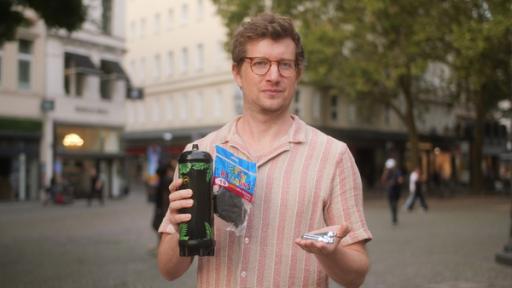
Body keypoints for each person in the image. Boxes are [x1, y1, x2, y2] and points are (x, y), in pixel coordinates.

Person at [157, 13, 372, 288]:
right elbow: (168, 270)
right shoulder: (200, 156)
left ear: (298, 73)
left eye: (285, 65)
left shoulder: (334, 156)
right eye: (260, 64)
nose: (274, 76)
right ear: (237, 73)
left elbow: (356, 275)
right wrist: (177, 228)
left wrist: (331, 253)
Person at [152, 160, 176, 243]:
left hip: (161, 207)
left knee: (162, 228)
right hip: (163, 208)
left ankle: (160, 245)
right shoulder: (166, 181)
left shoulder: (163, 181)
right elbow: (164, 198)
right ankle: (161, 245)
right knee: (163, 228)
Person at [381, 158, 404, 225]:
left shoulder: (395, 172)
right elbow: (383, 180)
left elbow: (400, 180)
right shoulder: (394, 172)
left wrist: (394, 182)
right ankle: (394, 217)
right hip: (393, 191)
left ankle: (394, 217)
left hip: (393, 191)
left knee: (393, 204)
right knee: (393, 204)